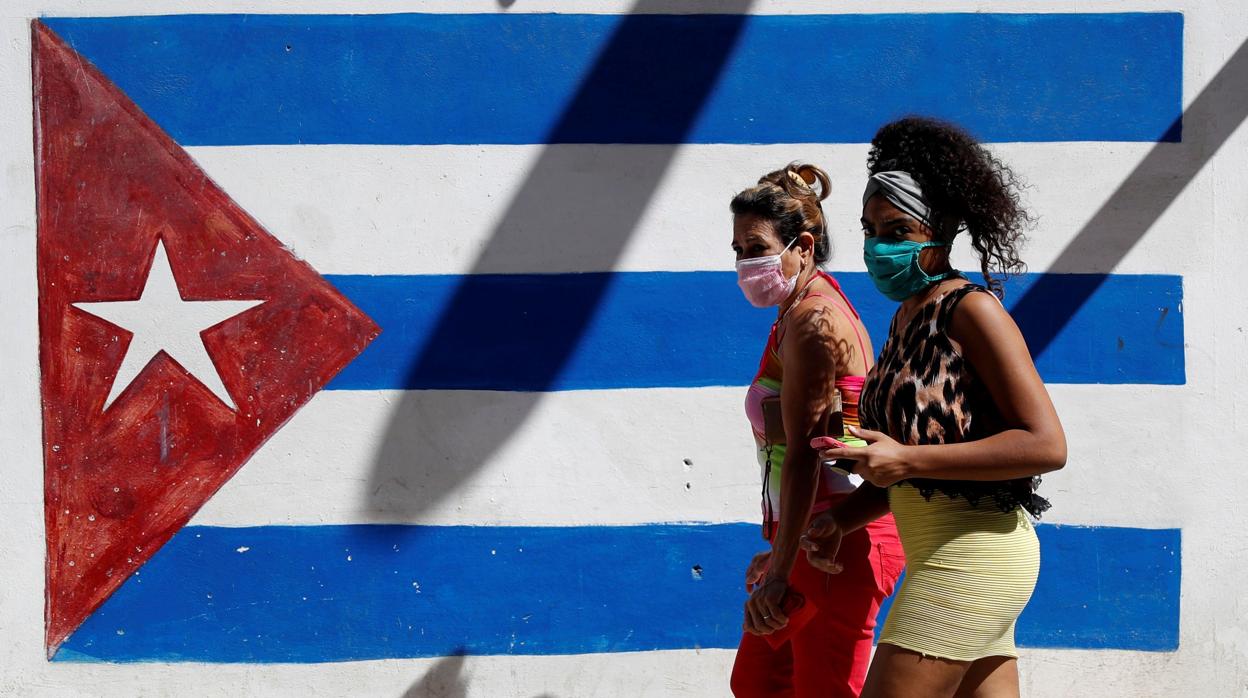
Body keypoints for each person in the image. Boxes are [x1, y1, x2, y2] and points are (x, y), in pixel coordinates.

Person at [803, 117, 1067, 698]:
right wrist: (842, 519)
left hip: (973, 557)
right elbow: (910, 465)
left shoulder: (971, 311)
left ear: (940, 232)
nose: (878, 247)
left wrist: (906, 462)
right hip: (949, 557)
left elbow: (1046, 446)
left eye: (897, 229)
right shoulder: (905, 319)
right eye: (870, 230)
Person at [729, 164, 905, 698]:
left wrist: (782, 570)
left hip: (839, 543)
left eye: (756, 246)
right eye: (737, 249)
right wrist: (783, 548)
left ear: (802, 246)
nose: (744, 262)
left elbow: (808, 455)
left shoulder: (813, 322)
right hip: (811, 535)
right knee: (759, 683)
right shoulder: (796, 314)